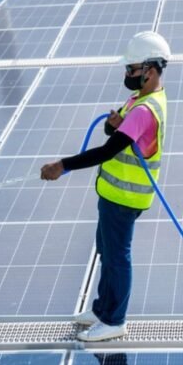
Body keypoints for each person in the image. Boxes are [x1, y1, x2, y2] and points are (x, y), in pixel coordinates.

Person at [40, 31, 171, 342]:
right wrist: (112, 124)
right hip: (113, 194)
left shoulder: (144, 110)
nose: (126, 74)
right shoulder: (140, 99)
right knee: (107, 251)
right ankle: (102, 309)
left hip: (126, 197)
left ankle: (115, 320)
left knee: (117, 256)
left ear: (149, 71)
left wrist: (62, 165)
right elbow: (114, 135)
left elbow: (106, 151)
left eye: (131, 69)